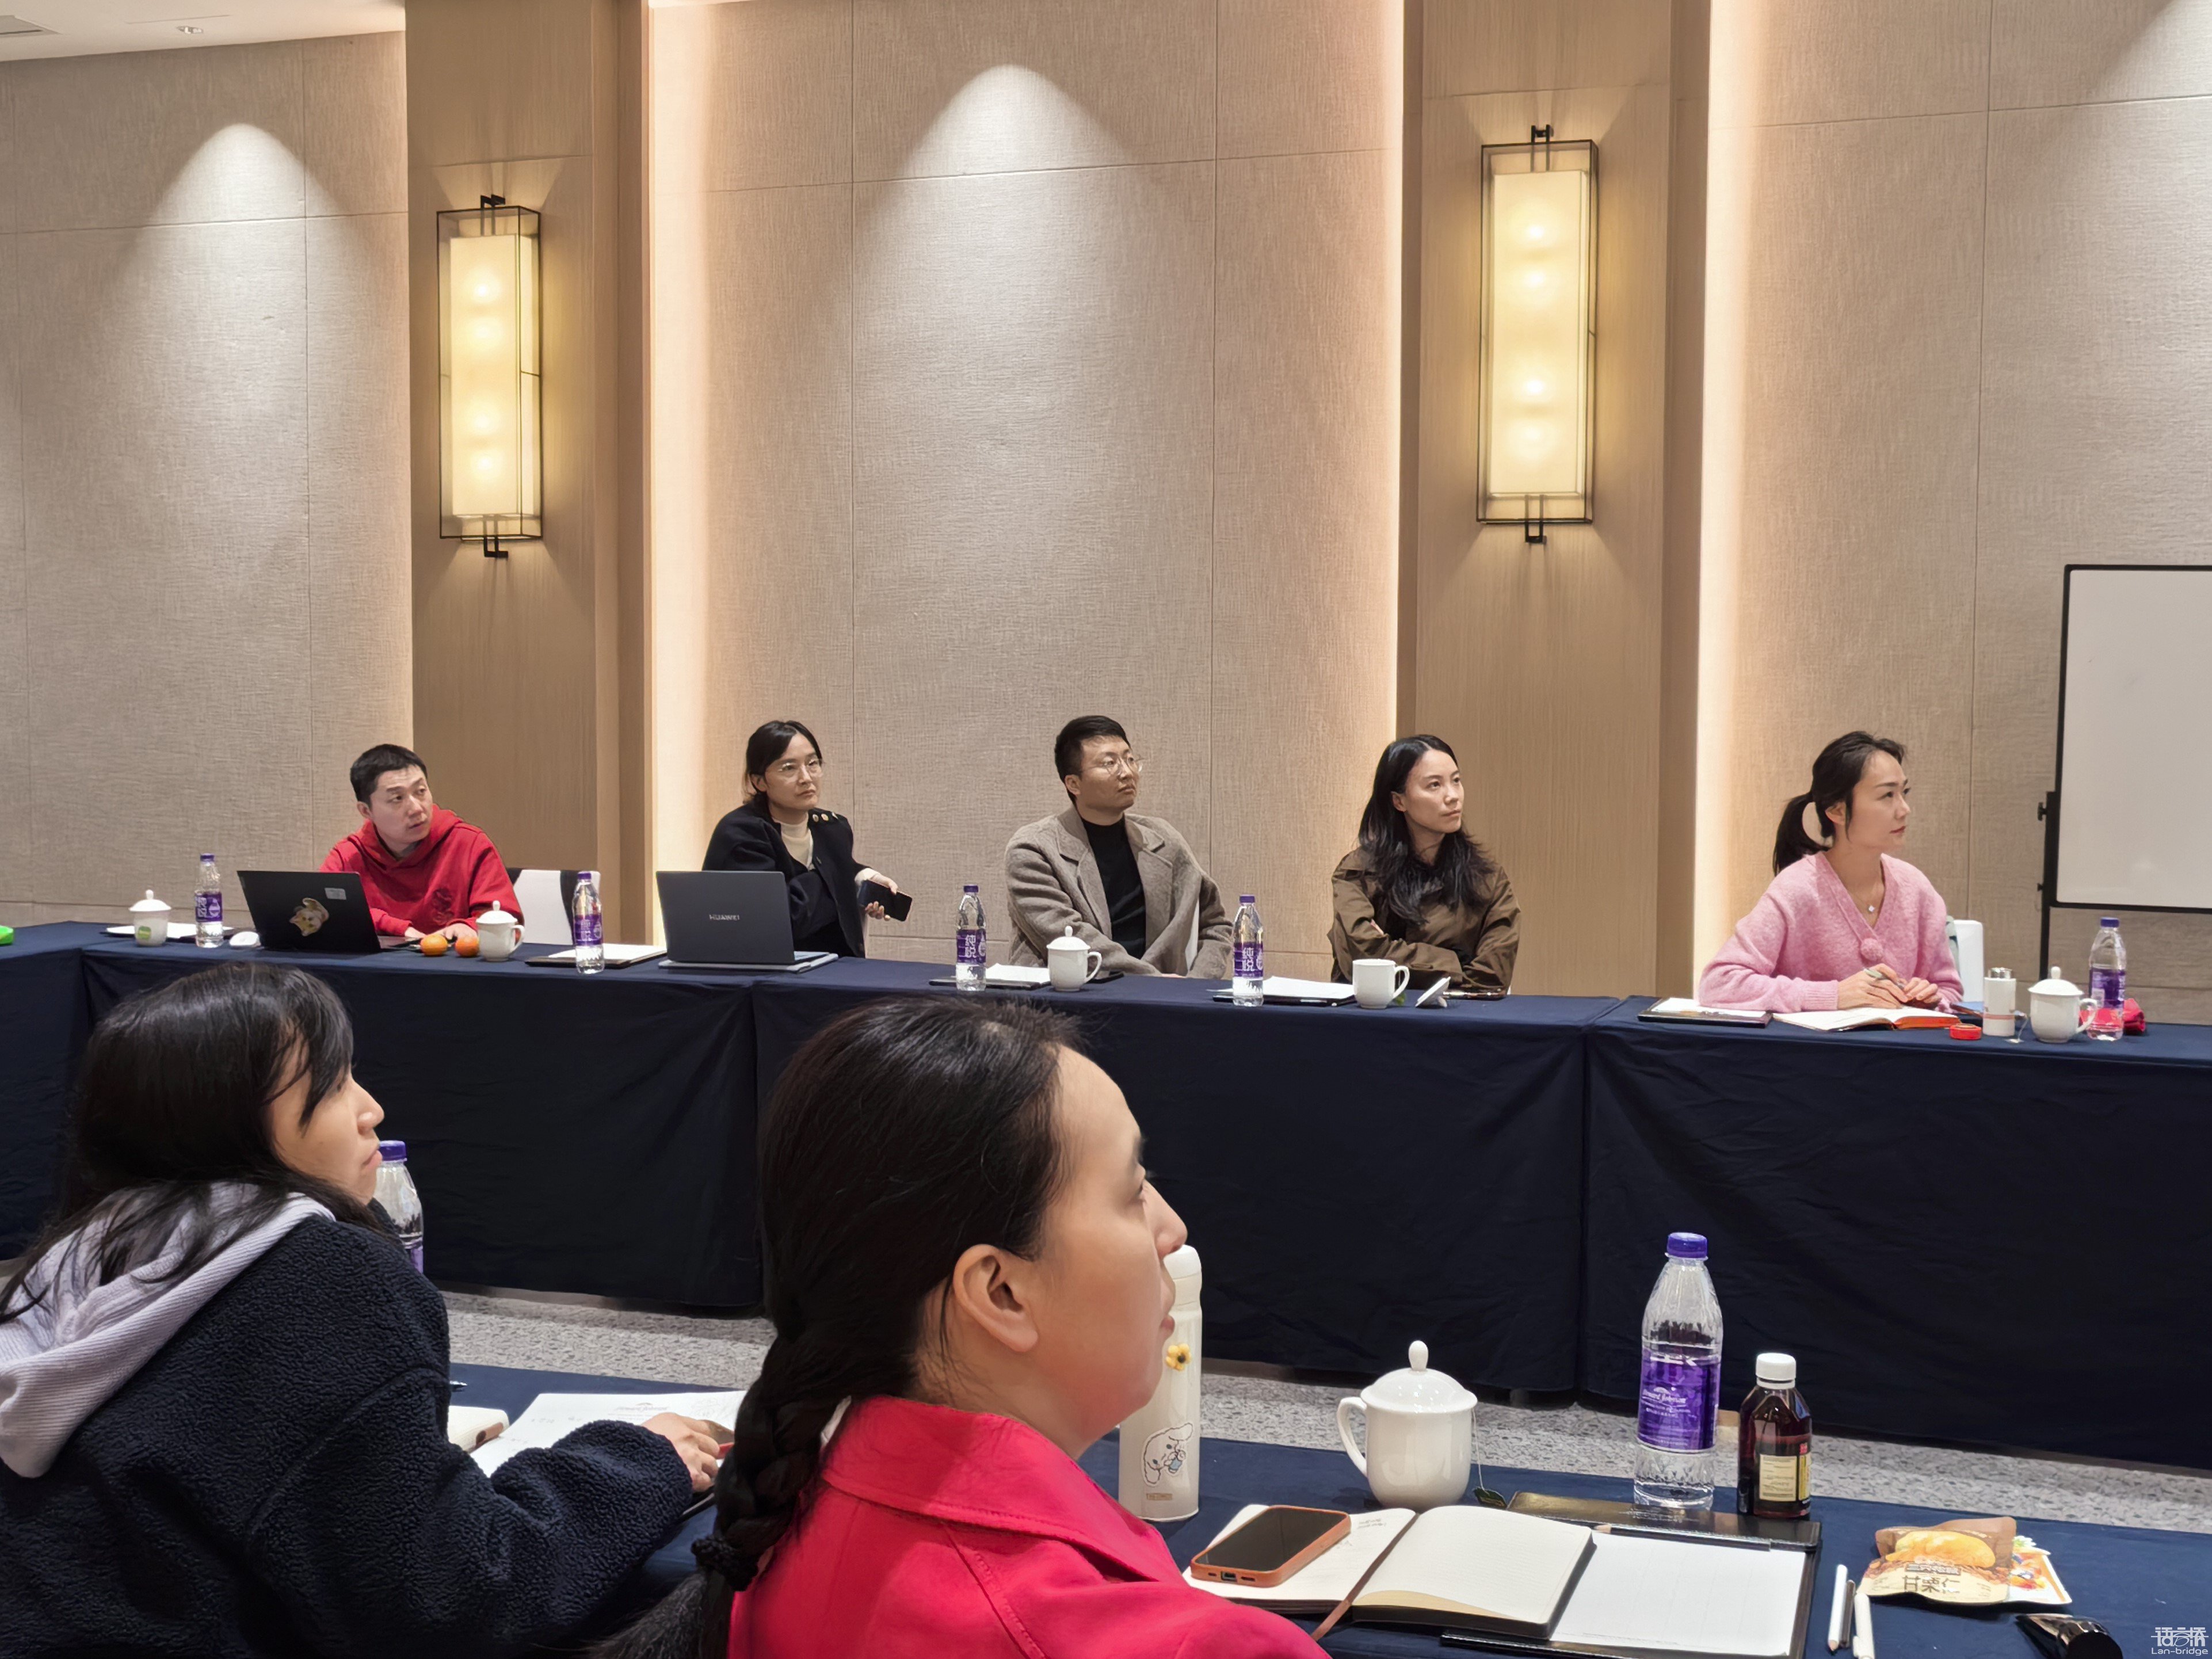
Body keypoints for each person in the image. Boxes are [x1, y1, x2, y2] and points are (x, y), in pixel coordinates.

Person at [0, 964, 722, 1658]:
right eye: (333, 1084)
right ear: (228, 1123)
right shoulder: (314, 1274)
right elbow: (454, 1602)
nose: (370, 1108)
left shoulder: (65, 1263)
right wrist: (636, 1462)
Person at [591, 998, 1325, 1659]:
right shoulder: (1197, 1645)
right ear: (1001, 1292)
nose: (1172, 1229)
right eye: (1134, 1191)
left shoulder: (770, 1548)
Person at [1699, 731, 1965, 1013]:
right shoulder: (1797, 889)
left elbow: (1951, 992)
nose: (1904, 809)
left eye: (1904, 793)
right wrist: (1833, 995)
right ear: (1837, 811)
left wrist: (1931, 1001)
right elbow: (1720, 983)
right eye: (1887, 795)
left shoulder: (1917, 888)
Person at [1005, 716, 1230, 977]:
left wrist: (1197, 984)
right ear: (1073, 783)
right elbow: (1071, 940)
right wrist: (1152, 983)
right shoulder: (1034, 849)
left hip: (1166, 996)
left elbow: (1214, 924)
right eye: (1109, 763)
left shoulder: (1163, 839)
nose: (1127, 772)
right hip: (1069, 994)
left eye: (1130, 759)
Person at [1329, 735, 1519, 993]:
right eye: (1434, 785)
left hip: (1458, 1014)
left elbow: (1493, 976)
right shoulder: (1358, 872)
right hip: (1370, 1013)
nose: (1453, 796)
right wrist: (1456, 962)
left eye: (1456, 781)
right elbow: (1365, 957)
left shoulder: (1487, 877)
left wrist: (1393, 952)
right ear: (1399, 801)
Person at [701, 720, 899, 958]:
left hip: (835, 968)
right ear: (759, 781)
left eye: (813, 764)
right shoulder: (741, 833)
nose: (806, 777)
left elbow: (835, 872)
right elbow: (784, 919)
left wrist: (865, 878)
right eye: (789, 768)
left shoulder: (832, 828)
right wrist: (840, 878)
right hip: (764, 970)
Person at [321, 742, 521, 943]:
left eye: (421, 791)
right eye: (397, 798)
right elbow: (323, 914)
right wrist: (394, 927)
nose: (417, 808)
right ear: (366, 811)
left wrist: (469, 927)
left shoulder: (469, 844)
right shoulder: (348, 857)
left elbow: (507, 921)